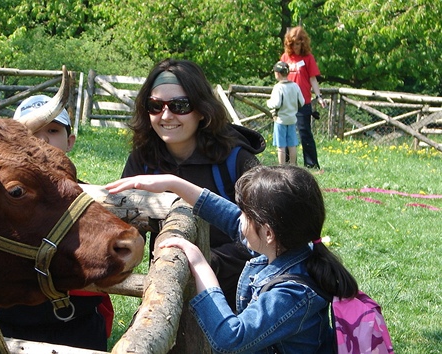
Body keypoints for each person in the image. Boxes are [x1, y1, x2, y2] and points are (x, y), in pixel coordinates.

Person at [105, 165, 359, 353]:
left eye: (247, 215)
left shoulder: (292, 292)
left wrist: (201, 265)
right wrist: (174, 183)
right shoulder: (289, 247)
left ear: (268, 233)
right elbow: (229, 218)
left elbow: (230, 338)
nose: (240, 219)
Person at [121, 58, 266, 311]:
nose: (166, 116)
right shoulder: (142, 160)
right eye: (155, 106)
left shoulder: (236, 160)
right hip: (169, 295)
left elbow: (268, 237)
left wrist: (204, 263)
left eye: (179, 105)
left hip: (239, 302)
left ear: (201, 110)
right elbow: (126, 227)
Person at [0, 95, 112, 351]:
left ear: (70, 142)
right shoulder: (0, 195)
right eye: (31, 132)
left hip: (76, 315)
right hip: (12, 311)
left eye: (53, 130)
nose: (42, 140)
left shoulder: (90, 199)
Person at [280, 26, 326, 170]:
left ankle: (311, 163)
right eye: (292, 44)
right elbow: (279, 78)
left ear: (303, 43)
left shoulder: (308, 58)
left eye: (298, 44)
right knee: (287, 133)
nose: (295, 47)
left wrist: (319, 96)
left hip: (303, 102)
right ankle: (288, 164)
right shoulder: (285, 57)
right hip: (287, 103)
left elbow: (313, 79)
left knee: (304, 132)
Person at [267, 61, 304, 165]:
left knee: (281, 145)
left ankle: (282, 166)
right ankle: (293, 165)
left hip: (280, 120)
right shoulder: (295, 86)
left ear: (278, 73)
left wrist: (268, 103)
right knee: (292, 145)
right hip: (292, 119)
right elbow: (302, 101)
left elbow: (276, 103)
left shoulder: (278, 87)